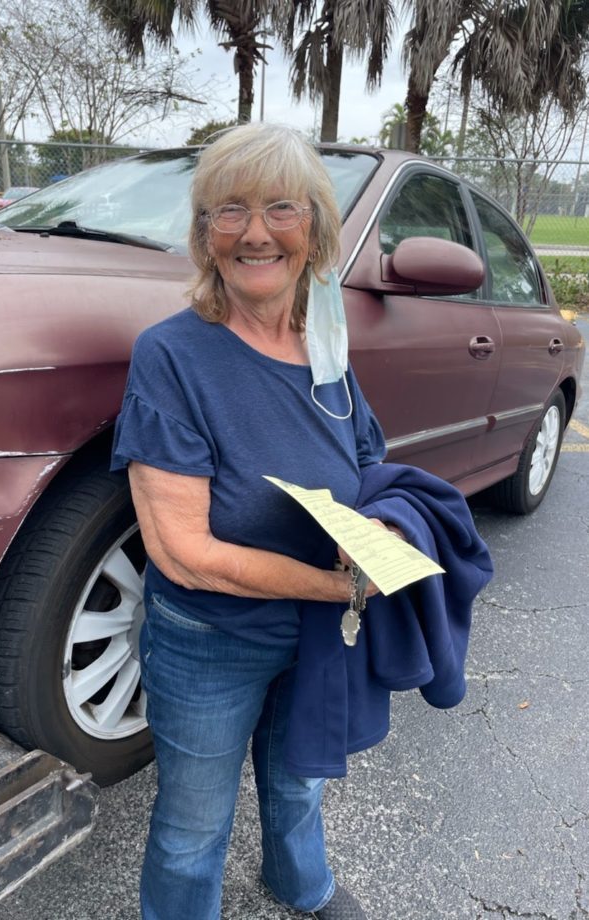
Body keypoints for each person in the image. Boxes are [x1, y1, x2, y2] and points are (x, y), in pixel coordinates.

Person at [111, 123, 492, 920]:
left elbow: (366, 462)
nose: (255, 231)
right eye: (230, 211)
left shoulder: (324, 345)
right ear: (204, 232)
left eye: (281, 208)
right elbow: (183, 554)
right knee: (191, 827)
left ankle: (301, 884)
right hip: (212, 641)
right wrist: (339, 585)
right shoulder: (172, 356)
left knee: (300, 779)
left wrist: (385, 527)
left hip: (315, 636)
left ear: (315, 230)